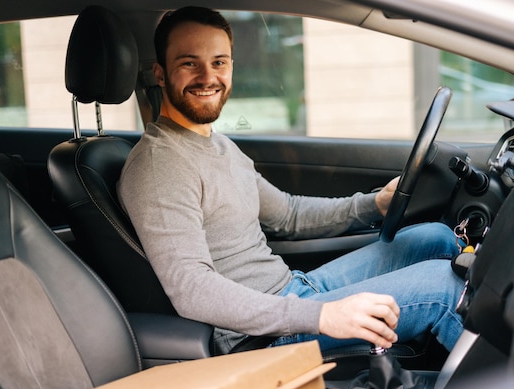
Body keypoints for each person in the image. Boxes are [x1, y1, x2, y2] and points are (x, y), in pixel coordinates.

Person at [119, 6, 465, 355]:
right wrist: (320, 315)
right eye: (190, 63)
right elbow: (191, 288)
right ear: (161, 74)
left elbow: (288, 215)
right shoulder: (158, 165)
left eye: (219, 62)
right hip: (258, 336)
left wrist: (374, 204)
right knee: (444, 287)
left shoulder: (218, 144)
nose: (208, 77)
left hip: (292, 290)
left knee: (432, 238)